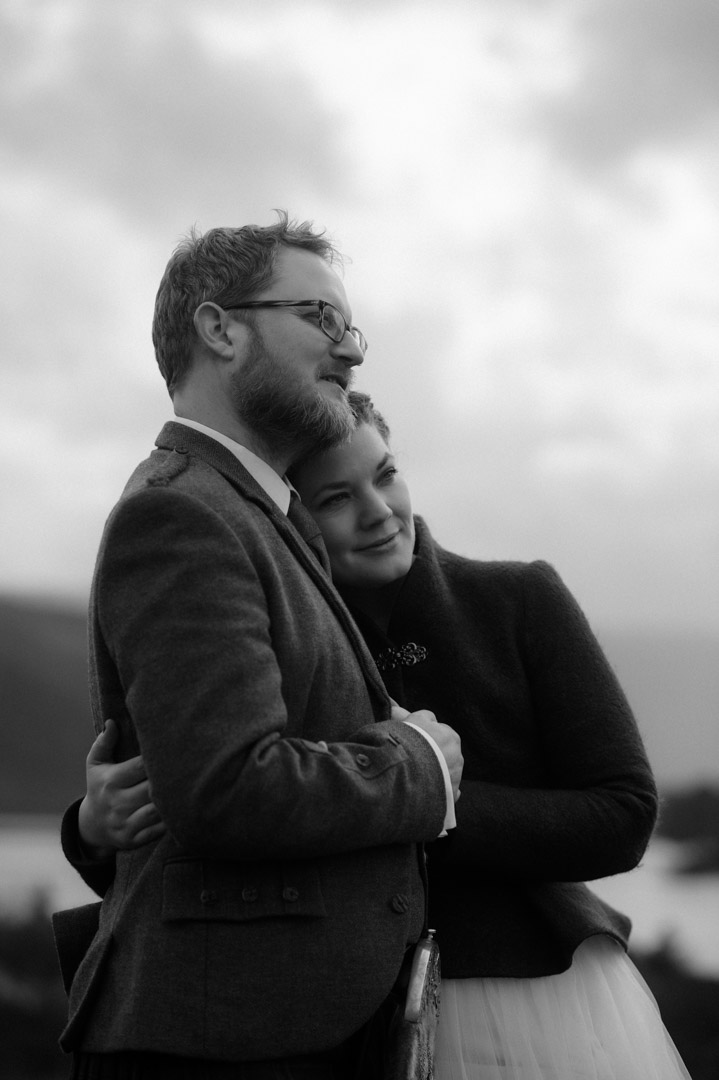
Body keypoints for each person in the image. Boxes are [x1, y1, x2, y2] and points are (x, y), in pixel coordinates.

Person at [73, 390, 693, 1079]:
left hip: (531, 993)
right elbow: (220, 817)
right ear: (288, 516)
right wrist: (92, 831)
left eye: (386, 474)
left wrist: (423, 801)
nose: (377, 512)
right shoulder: (259, 634)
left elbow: (623, 814)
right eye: (336, 498)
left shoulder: (520, 599)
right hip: (337, 1016)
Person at [53, 217, 464, 1080]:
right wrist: (418, 763)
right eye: (322, 317)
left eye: (351, 328)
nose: (350, 352)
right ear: (219, 328)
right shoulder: (180, 514)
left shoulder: (254, 510)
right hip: (227, 1043)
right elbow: (230, 790)